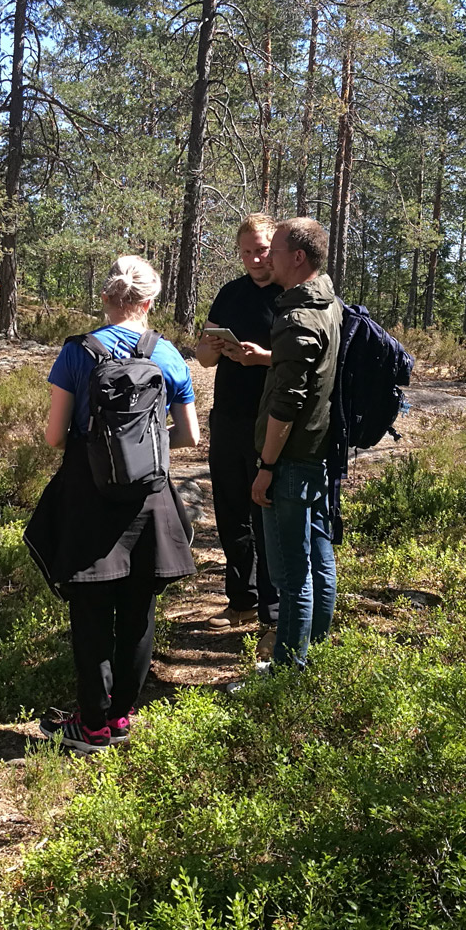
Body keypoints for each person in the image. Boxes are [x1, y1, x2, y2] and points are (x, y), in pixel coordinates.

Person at [25, 256, 200, 753]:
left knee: (91, 611)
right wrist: (139, 446)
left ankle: (92, 725)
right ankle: (121, 717)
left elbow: (56, 436)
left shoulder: (77, 353)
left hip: (88, 495)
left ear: (105, 299)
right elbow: (188, 435)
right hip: (148, 498)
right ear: (149, 303)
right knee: (139, 611)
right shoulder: (167, 355)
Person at [250, 218, 342, 672]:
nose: (268, 257)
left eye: (277, 249)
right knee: (318, 558)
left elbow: (287, 404)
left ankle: (288, 671)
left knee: (291, 574)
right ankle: (315, 653)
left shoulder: (297, 317)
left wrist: (267, 464)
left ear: (298, 257)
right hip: (318, 454)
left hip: (290, 462)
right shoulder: (328, 301)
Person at [195, 213, 281, 639]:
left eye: (261, 250)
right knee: (231, 513)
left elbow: (305, 359)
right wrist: (211, 347)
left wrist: (260, 356)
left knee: (267, 513)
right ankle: (241, 601)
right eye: (246, 252)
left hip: (272, 422)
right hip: (227, 417)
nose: (253, 259)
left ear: (276, 246)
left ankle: (274, 613)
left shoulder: (291, 293)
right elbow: (204, 357)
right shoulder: (230, 293)